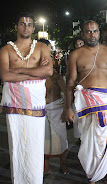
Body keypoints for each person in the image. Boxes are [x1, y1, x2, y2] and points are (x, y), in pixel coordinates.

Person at [64, 20, 107, 184]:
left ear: (99, 32)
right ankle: (93, 176)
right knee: (89, 140)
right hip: (86, 103)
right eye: (88, 31)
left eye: (95, 31)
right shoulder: (76, 54)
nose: (92, 34)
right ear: (83, 34)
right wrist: (67, 108)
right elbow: (70, 82)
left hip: (106, 100)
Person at [0, 12, 53, 183]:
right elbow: (5, 77)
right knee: (17, 143)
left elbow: (48, 72)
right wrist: (36, 74)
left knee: (35, 145)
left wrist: (18, 70)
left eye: (29, 24)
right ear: (16, 26)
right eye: (22, 23)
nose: (26, 27)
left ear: (34, 28)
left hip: (35, 104)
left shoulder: (42, 48)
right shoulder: (6, 49)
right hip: (15, 103)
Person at [37, 39, 70, 176]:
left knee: (61, 139)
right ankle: (46, 167)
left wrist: (67, 110)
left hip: (56, 109)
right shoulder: (34, 76)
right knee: (43, 140)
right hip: (41, 110)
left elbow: (67, 92)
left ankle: (63, 164)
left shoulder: (56, 77)